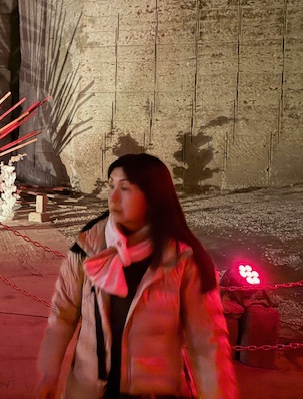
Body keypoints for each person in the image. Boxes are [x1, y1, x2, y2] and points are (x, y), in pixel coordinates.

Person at [37, 153, 238, 399]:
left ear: (152, 196)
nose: (113, 197)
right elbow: (62, 314)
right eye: (111, 186)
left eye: (125, 188)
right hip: (89, 390)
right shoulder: (88, 247)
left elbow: (207, 342)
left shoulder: (183, 259)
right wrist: (49, 372)